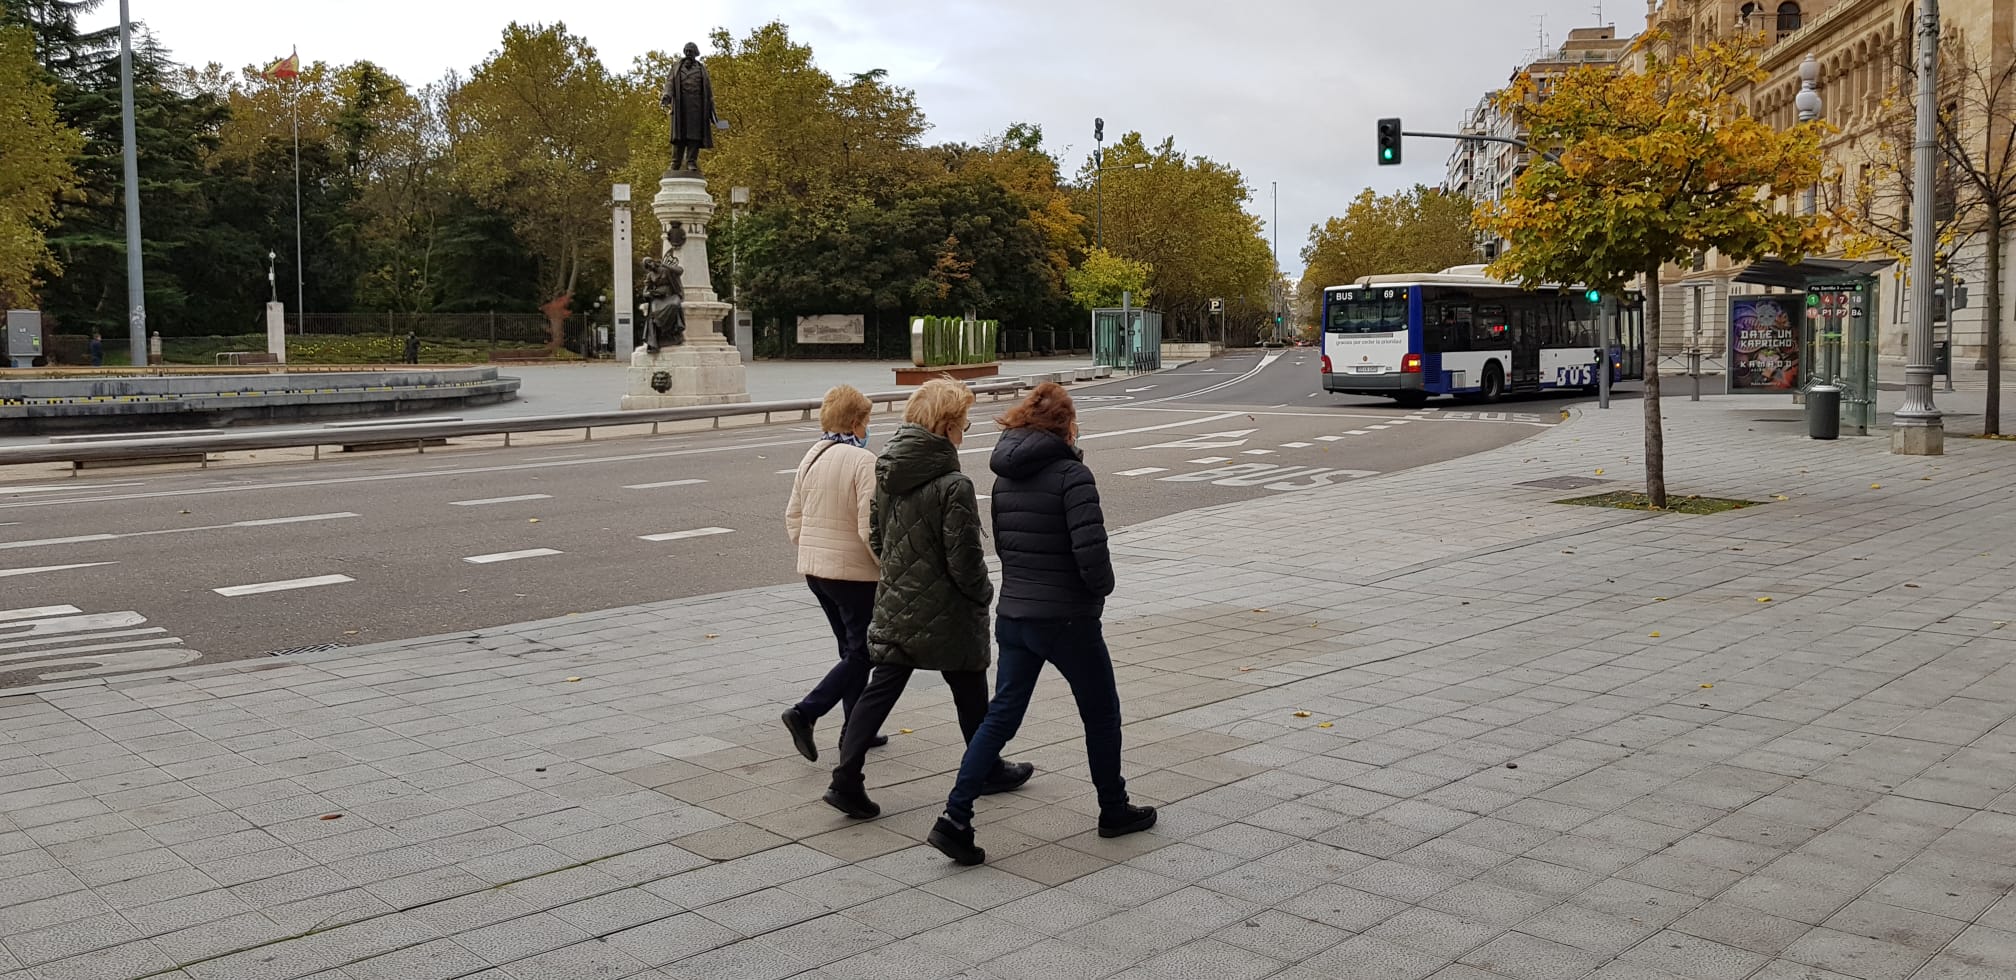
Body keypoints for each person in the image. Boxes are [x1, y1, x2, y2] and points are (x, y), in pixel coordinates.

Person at [926, 382, 1154, 865]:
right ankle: (1113, 809)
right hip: (1067, 617)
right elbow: (1091, 553)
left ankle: (955, 816)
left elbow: (1005, 547)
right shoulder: (1073, 474)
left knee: (1000, 717)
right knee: (1101, 713)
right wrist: (1098, 591)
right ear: (1065, 425)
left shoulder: (1004, 476)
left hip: (1015, 614)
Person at [825, 378, 1032, 819]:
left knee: (882, 687)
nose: (965, 431)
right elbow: (965, 559)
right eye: (964, 424)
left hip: (898, 598)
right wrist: (982, 593)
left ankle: (846, 777)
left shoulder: (888, 468)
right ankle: (988, 766)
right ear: (946, 426)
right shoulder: (952, 483)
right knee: (970, 683)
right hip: (949, 607)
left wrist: (902, 574)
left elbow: (876, 535)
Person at [780, 385, 888, 761]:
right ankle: (806, 712)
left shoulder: (813, 454)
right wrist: (885, 567)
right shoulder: (863, 461)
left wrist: (812, 549)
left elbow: (793, 516)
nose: (869, 428)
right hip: (854, 575)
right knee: (865, 653)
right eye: (868, 421)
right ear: (858, 423)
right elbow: (868, 528)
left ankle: (856, 729)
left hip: (816, 571)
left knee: (850, 649)